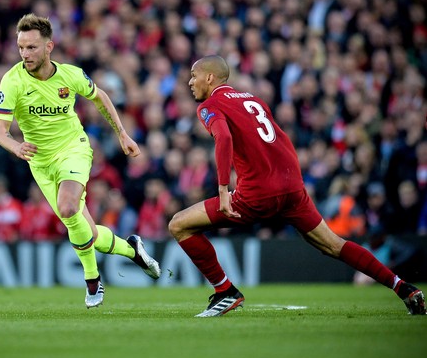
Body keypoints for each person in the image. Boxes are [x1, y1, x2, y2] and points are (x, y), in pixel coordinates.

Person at [168, 55, 425, 317]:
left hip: (259, 192)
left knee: (179, 224)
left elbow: (223, 137)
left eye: (193, 75)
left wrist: (223, 189)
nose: (190, 82)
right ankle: (403, 288)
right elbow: (277, 139)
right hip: (293, 188)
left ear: (210, 78)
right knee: (333, 245)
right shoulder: (253, 100)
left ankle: (225, 291)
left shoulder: (210, 105)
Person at [0, 14, 160, 308]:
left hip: (74, 148)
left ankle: (93, 281)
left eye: (31, 47)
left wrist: (122, 134)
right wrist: (15, 146)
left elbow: (101, 97)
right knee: (88, 232)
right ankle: (132, 249)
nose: (25, 54)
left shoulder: (70, 75)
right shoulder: (12, 81)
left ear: (49, 47)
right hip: (39, 162)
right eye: (21, 47)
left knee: (68, 206)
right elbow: (0, 132)